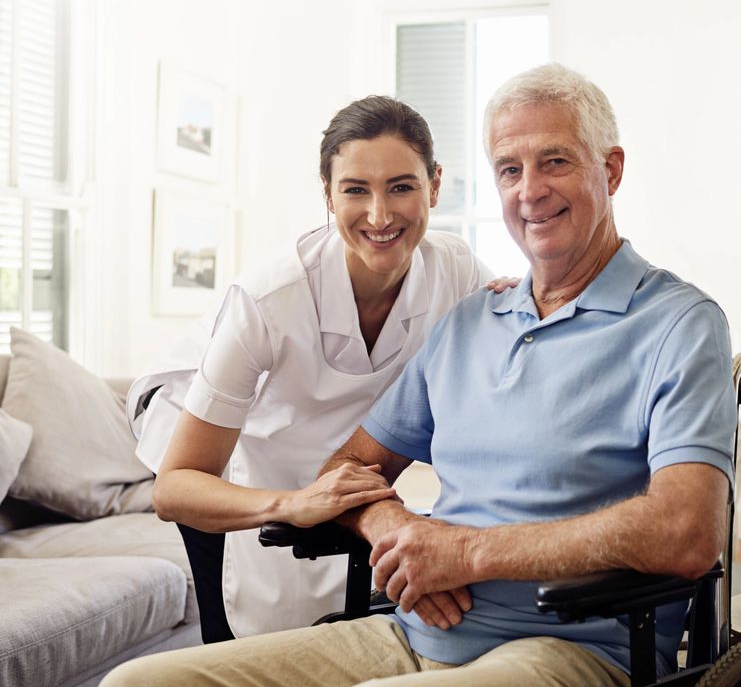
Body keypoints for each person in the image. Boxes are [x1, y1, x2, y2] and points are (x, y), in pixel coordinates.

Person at [103, 64, 736, 687]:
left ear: (612, 170)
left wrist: (463, 554)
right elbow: (345, 472)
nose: (529, 191)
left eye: (556, 162)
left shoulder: (679, 323)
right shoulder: (469, 321)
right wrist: (403, 533)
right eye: (510, 170)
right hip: (408, 629)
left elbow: (686, 533)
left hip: (563, 647)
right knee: (137, 682)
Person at [125, 95, 515, 644]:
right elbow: (176, 488)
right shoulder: (268, 299)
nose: (380, 215)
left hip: (330, 437)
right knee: (244, 635)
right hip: (205, 432)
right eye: (356, 189)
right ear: (328, 195)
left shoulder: (457, 270)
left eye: (401, 186)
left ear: (435, 184)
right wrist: (289, 502)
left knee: (339, 608)